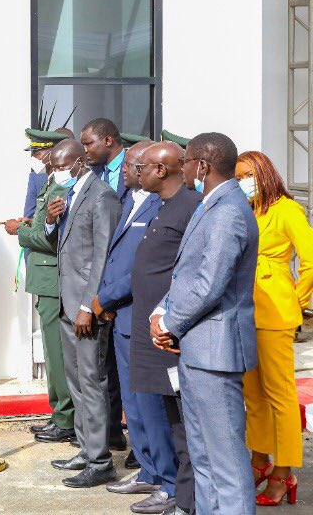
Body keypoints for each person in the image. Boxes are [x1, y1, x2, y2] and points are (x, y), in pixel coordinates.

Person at [150, 132, 258, 514]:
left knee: (226, 461)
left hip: (215, 352)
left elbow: (211, 282)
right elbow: (187, 273)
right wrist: (160, 312)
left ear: (203, 166)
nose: (183, 168)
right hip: (197, 350)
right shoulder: (211, 205)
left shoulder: (229, 210)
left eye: (187, 160)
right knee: (205, 456)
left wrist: (170, 323)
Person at [92, 142, 171, 513]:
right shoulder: (131, 200)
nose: (123, 170)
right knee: (133, 403)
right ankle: (146, 468)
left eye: (131, 165)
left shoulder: (162, 206)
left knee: (151, 404)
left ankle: (163, 476)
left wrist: (105, 298)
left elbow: (141, 266)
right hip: (121, 314)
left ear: (148, 169)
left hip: (139, 313)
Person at [235, 151, 313, 506]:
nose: (242, 182)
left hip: (275, 313)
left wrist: (295, 302)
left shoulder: (287, 210)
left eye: (247, 175)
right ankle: (259, 460)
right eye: (237, 177)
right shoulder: (246, 209)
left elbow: (310, 261)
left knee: (280, 397)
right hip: (245, 312)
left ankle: (284, 473)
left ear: (264, 173)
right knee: (253, 396)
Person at [46, 138, 121, 488]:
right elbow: (63, 247)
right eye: (54, 167)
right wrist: (50, 222)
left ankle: (101, 460)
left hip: (83, 308)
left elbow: (102, 255)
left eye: (62, 166)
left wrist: (87, 305)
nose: (57, 172)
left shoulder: (102, 194)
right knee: (76, 381)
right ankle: (85, 448)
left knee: (92, 381)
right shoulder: (70, 195)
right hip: (65, 301)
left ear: (79, 162)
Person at [134, 140, 200, 515]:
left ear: (162, 170)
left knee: (183, 426)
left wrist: (171, 320)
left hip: (172, 334)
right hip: (154, 330)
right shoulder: (163, 207)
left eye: (143, 166)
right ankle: (174, 490)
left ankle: (186, 500)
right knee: (168, 419)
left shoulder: (190, 208)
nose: (137, 171)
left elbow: (189, 274)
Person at [7, 129, 75, 444]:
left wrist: (19, 232)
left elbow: (53, 240)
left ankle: (65, 419)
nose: (35, 159)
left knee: (58, 355)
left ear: (53, 153)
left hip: (53, 280)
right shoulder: (49, 183)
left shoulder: (61, 187)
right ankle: (59, 415)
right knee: (52, 351)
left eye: (39, 152)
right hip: (44, 280)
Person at [81, 118, 128, 452]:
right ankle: (111, 433)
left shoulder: (135, 171)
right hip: (103, 286)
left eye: (89, 144)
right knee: (106, 365)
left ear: (108, 140)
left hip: (124, 283)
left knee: (126, 371)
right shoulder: (96, 175)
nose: (86, 151)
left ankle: (140, 447)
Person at [22, 127, 74, 218]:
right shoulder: (37, 178)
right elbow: (30, 216)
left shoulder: (85, 176)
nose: (36, 159)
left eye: (38, 154)